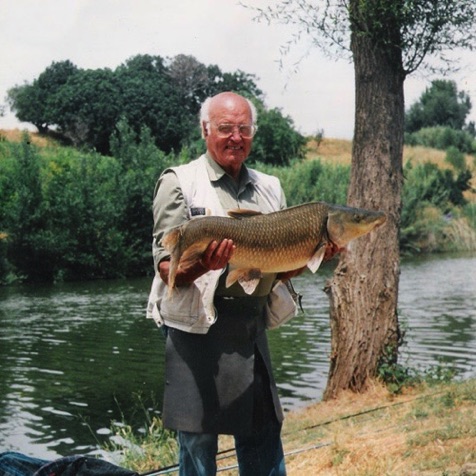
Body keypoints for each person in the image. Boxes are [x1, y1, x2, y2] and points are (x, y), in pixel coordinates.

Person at [147, 91, 304, 476]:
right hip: (194, 334)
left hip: (250, 332)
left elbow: (275, 269)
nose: (236, 137)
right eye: (225, 128)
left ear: (252, 133)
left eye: (244, 128)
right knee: (198, 452)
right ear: (205, 130)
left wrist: (308, 256)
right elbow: (167, 271)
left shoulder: (271, 187)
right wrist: (204, 265)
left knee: (265, 441)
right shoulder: (178, 182)